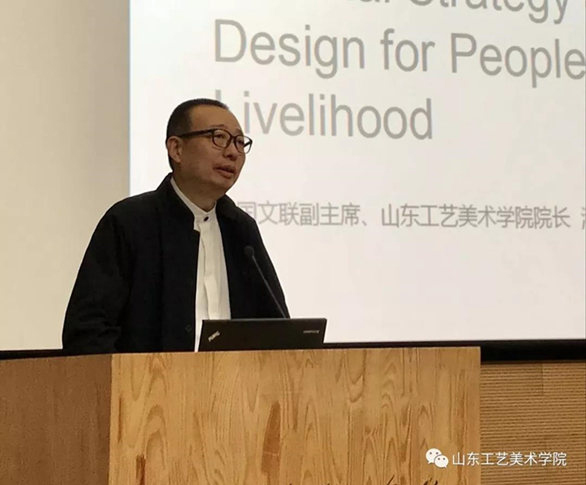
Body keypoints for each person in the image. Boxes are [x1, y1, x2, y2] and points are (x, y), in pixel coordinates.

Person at [63, 98, 288, 354]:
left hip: (234, 379)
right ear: (176, 149)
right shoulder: (130, 221)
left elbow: (277, 328)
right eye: (219, 137)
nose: (232, 152)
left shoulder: (241, 230)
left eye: (239, 142)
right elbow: (87, 332)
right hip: (148, 379)